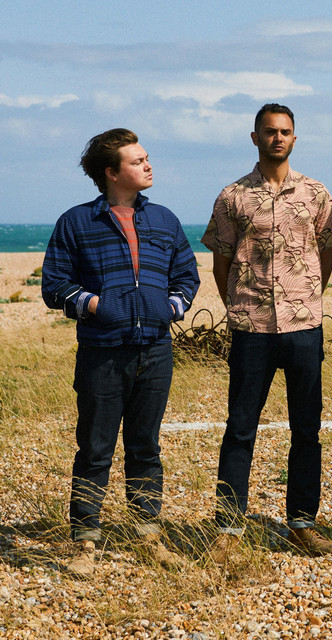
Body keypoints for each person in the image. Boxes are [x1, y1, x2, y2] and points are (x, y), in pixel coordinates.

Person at [42, 128, 200, 577]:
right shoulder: (76, 222)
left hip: (155, 351)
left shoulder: (165, 220)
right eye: (138, 161)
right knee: (94, 448)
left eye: (147, 158)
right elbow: (54, 285)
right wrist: (96, 305)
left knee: (145, 446)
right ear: (112, 173)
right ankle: (85, 543)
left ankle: (147, 534)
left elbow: (187, 276)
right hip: (102, 353)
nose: (148, 166)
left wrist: (171, 306)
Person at [201, 103, 332, 558]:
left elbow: (325, 253)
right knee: (240, 427)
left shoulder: (317, 193)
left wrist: (306, 297)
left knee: (307, 428)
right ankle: (228, 529)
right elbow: (221, 260)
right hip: (250, 326)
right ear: (255, 137)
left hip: (304, 326)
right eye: (269, 132)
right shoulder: (232, 196)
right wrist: (242, 306)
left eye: (285, 132)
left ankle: (302, 523)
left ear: (295, 139)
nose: (277, 138)